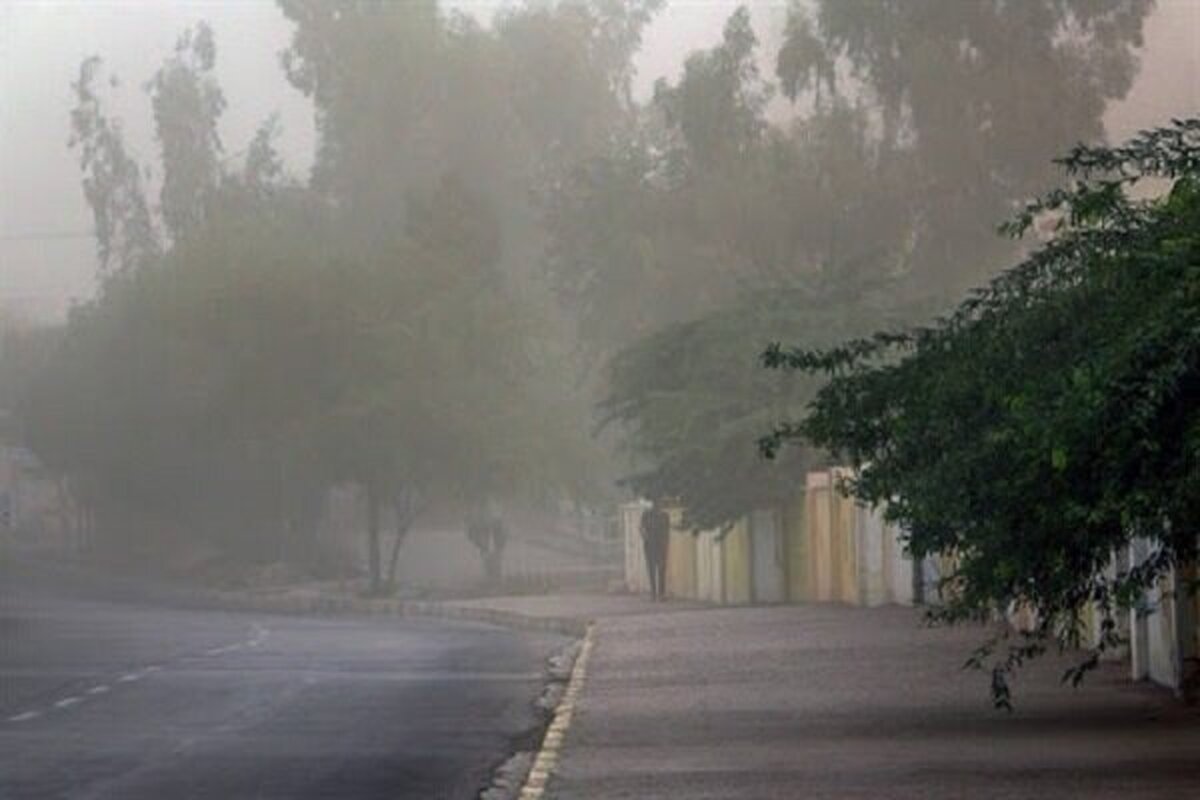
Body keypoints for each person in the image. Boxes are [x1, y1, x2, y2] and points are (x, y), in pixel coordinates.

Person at [640, 499, 671, 601]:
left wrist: (666, 543)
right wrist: (645, 537)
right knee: (651, 569)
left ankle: (661, 593)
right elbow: (641, 528)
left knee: (662, 569)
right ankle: (653, 593)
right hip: (650, 545)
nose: (658, 505)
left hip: (661, 545)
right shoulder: (646, 515)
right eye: (656, 503)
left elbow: (667, 531)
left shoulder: (665, 516)